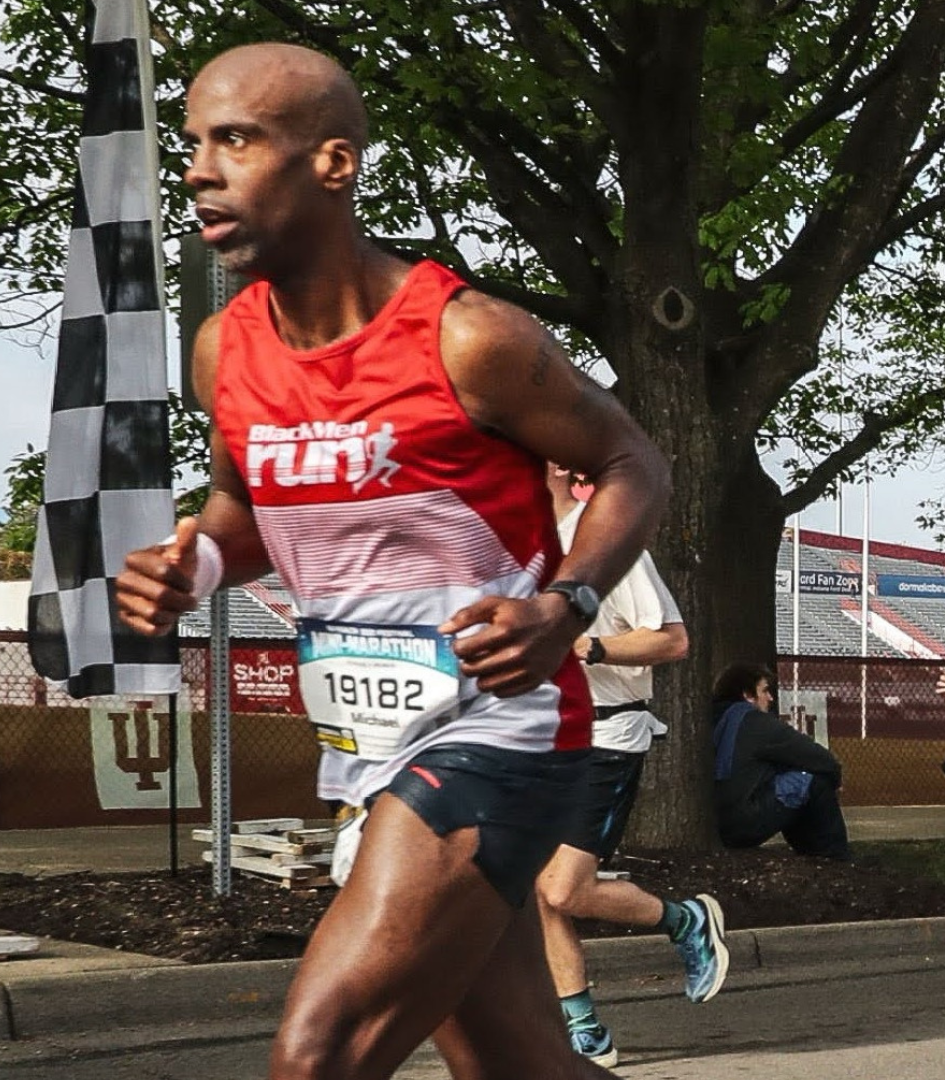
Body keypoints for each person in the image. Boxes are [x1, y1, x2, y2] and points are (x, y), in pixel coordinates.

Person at [116, 41, 671, 1080]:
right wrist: (186, 570)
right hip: (371, 746)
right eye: (191, 143)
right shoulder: (224, 352)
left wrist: (566, 604)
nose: (197, 167)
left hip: (500, 734)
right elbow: (245, 511)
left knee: (318, 1055)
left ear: (333, 163)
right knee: (519, 1066)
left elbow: (635, 459)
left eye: (235, 139)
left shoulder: (467, 340)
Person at [536, 464, 727, 1069]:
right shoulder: (520, 550)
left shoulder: (605, 545)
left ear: (560, 467)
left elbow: (672, 641)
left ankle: (685, 920)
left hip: (607, 732)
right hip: (539, 738)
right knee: (539, 893)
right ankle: (582, 1025)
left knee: (564, 888)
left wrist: (587, 647)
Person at [711, 663, 851, 861]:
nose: (771, 698)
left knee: (790, 777)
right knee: (813, 781)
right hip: (741, 823)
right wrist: (836, 779)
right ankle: (832, 856)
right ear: (747, 695)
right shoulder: (755, 721)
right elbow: (818, 758)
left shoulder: (711, 717)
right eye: (765, 690)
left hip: (713, 820)